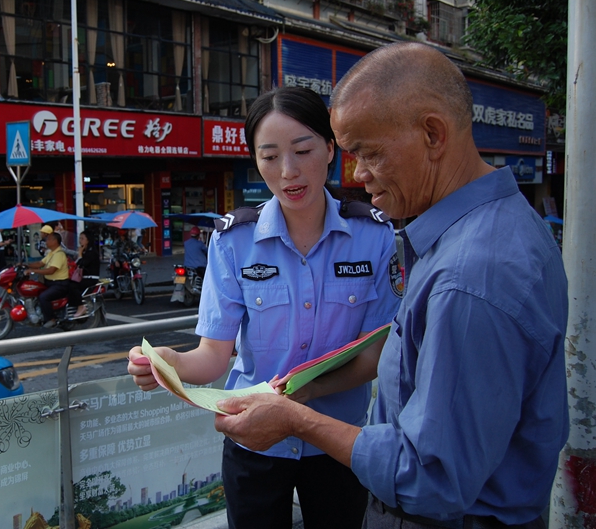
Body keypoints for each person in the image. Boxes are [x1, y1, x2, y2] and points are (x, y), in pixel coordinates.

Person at [213, 42, 569, 528]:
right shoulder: (472, 233)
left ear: (432, 134)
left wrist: (296, 419)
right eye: (269, 156)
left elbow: (431, 477)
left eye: (370, 153)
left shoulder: (469, 277)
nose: (358, 176)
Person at [127, 86, 402, 529]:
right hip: (252, 443)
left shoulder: (374, 236)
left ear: (330, 149)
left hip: (337, 443)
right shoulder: (233, 240)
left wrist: (301, 398)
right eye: (269, 156)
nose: (288, 171)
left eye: (303, 150)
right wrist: (168, 363)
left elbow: (373, 357)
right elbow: (213, 355)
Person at [24, 232, 70, 328]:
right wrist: (26, 265)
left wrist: (33, 271)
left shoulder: (59, 254)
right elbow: (40, 263)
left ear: (55, 241)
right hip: (50, 283)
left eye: (48, 239)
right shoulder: (51, 253)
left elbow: (51, 270)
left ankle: (51, 319)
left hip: (59, 284)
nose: (46, 241)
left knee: (43, 297)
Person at [68, 229, 101, 319]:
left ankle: (80, 306)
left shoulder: (92, 252)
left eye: (82, 238)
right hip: (83, 277)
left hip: (90, 279)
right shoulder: (85, 251)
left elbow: (81, 263)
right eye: (79, 238)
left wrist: (79, 254)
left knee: (72, 287)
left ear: (88, 240)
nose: (80, 240)